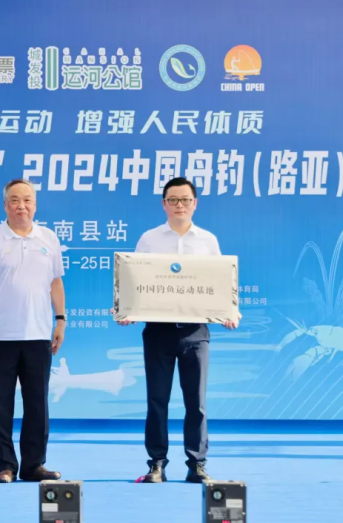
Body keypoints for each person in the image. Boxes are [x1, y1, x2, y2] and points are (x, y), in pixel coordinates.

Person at [117, 177, 241, 484]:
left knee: (196, 403)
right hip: (158, 332)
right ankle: (156, 464)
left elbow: (221, 283)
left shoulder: (207, 241)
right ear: (164, 204)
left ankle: (196, 464)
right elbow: (134, 281)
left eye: (185, 200)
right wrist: (128, 309)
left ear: (195, 203)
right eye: (173, 200)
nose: (179, 205)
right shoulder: (149, 239)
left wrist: (229, 311)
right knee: (157, 400)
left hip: (195, 333)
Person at [0, 178, 67, 483]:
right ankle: (5, 466)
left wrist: (60, 319)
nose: (21, 206)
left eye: (27, 200)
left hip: (38, 335)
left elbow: (56, 282)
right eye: (14, 200)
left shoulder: (48, 238)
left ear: (35, 204)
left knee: (37, 405)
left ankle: (34, 465)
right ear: (5, 205)